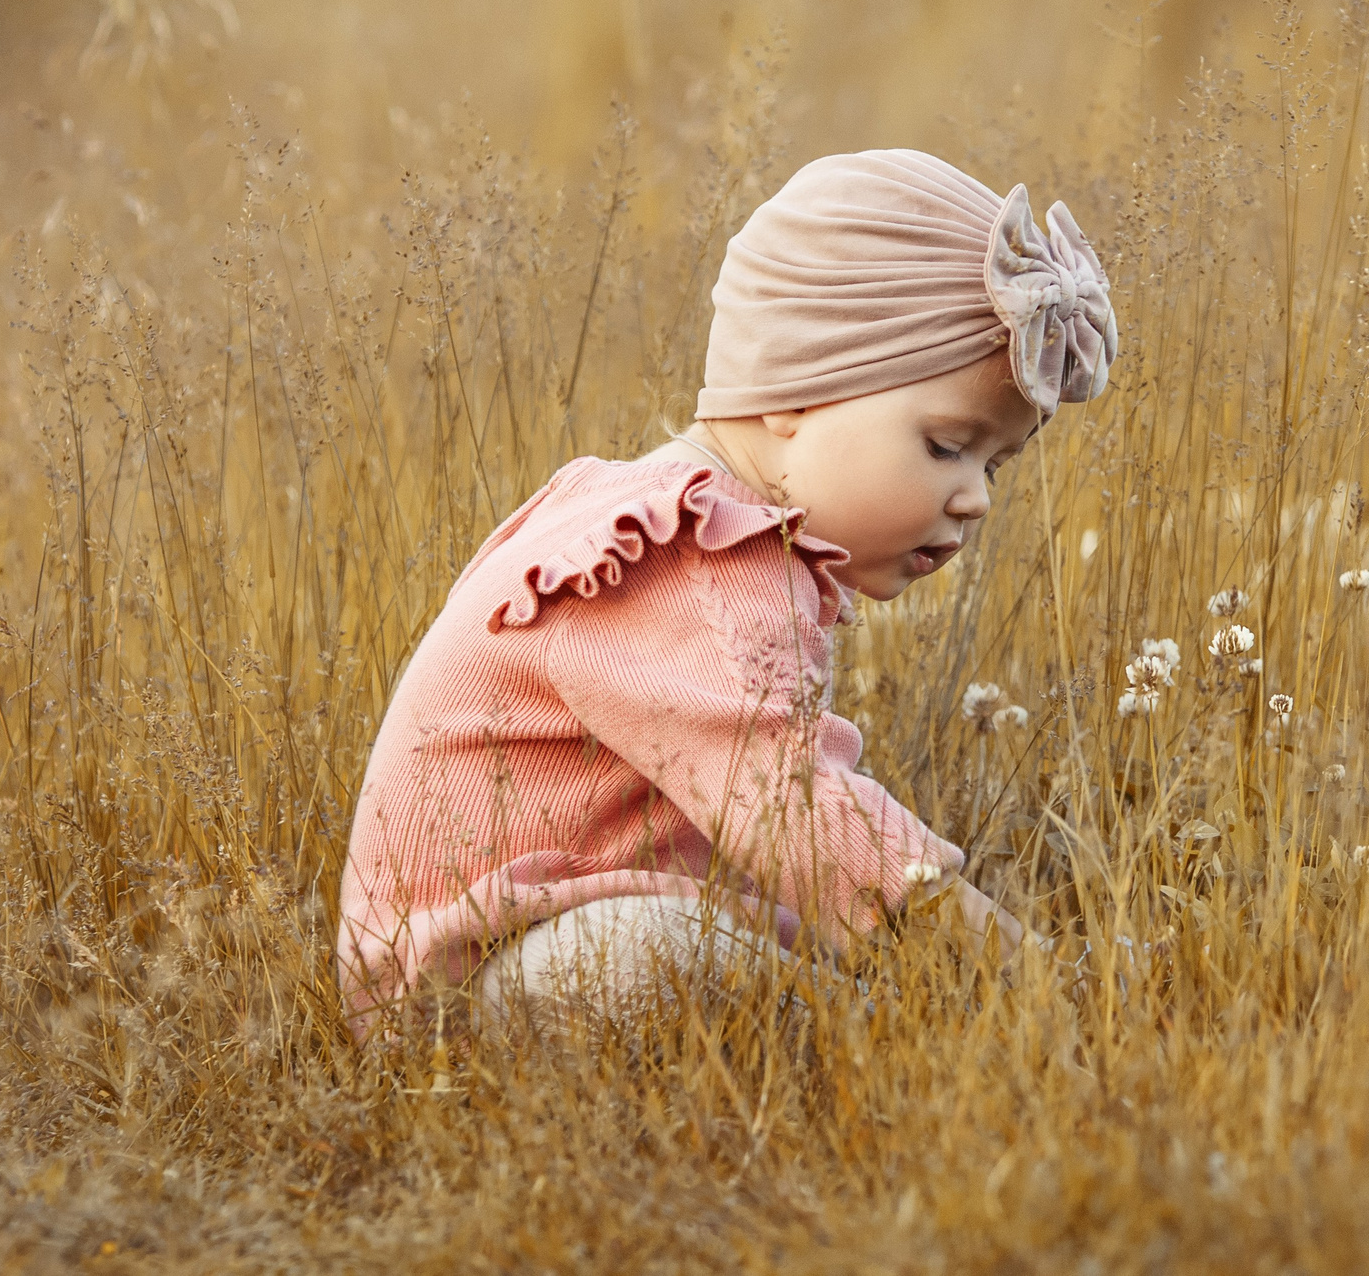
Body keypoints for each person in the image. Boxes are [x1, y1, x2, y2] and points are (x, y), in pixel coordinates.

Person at [335, 148, 1118, 1036]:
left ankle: (877, 1027)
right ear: (794, 391)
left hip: (536, 939)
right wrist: (1026, 970)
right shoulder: (687, 553)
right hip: (473, 983)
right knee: (652, 957)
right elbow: (794, 813)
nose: (976, 497)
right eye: (946, 446)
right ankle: (910, 1040)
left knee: (723, 950)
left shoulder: (676, 515)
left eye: (996, 464)